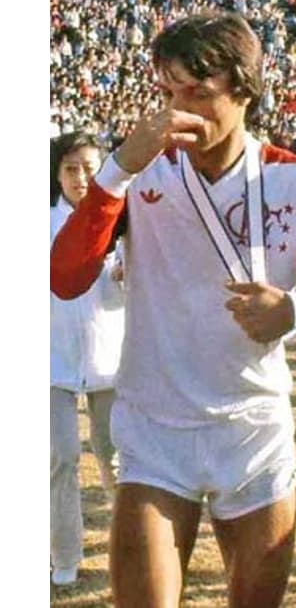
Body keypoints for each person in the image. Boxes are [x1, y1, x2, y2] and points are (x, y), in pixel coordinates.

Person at [50, 11, 296, 608]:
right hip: (156, 430)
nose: (179, 110)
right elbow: (64, 276)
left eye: (199, 92)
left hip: (252, 431)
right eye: (168, 91)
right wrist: (118, 167)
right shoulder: (139, 176)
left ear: (245, 89)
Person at [50, 131, 124, 587]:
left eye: (90, 168)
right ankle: (64, 555)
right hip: (51, 361)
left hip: (109, 358)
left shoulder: (122, 224)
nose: (80, 178)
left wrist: (123, 272)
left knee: (114, 460)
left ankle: (129, 543)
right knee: (60, 459)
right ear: (57, 173)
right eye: (71, 168)